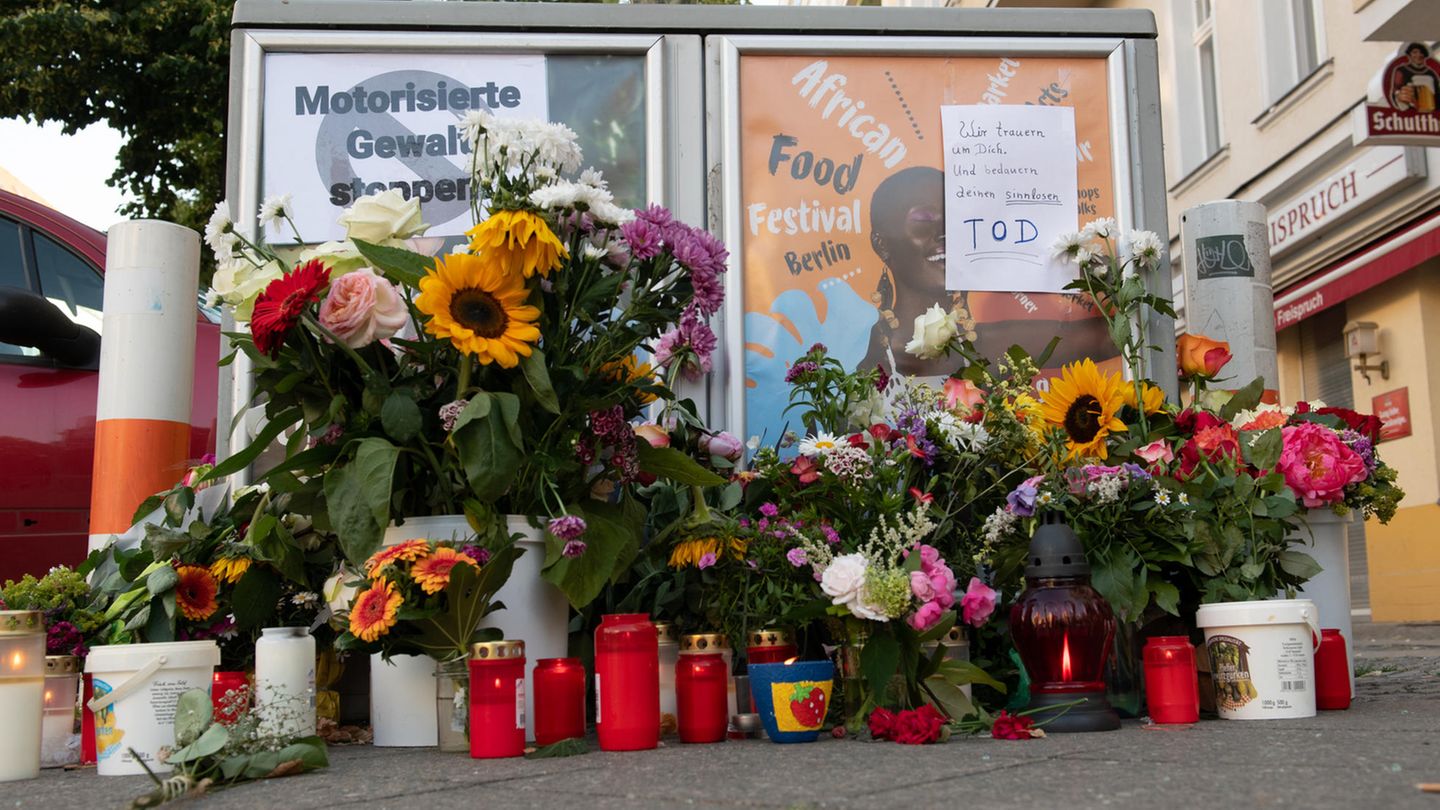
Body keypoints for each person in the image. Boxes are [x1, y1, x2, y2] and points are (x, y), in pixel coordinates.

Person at [859, 166, 1117, 377]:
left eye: (955, 220)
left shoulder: (990, 348)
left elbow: (1110, 340)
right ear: (881, 245)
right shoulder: (863, 360)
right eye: (923, 221)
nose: (944, 233)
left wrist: (1092, 269)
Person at [1389, 42, 1440, 113]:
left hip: (1431, 115)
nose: (1418, 55)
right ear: (1409, 55)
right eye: (1414, 52)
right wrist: (1399, 97)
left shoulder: (1431, 73)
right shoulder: (1402, 70)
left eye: (1421, 52)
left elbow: (1437, 94)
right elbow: (1395, 92)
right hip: (1410, 113)